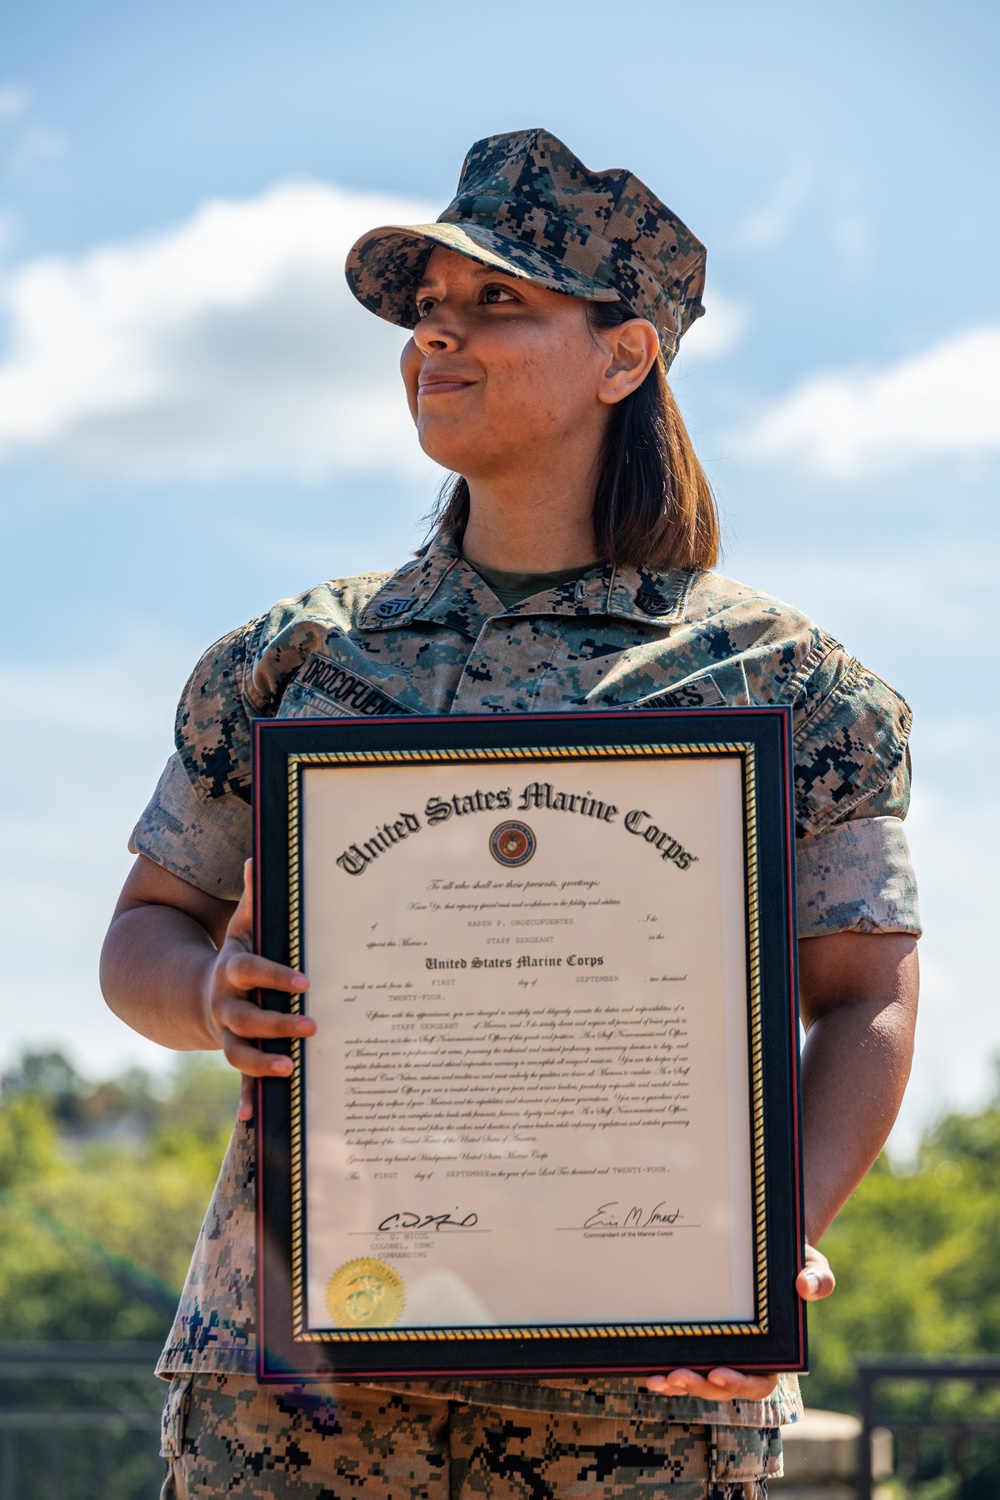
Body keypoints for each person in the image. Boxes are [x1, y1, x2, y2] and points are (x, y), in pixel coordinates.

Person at [101, 128, 920, 1500]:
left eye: (498, 304)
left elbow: (866, 998)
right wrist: (211, 996)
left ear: (625, 354)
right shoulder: (291, 658)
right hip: (297, 1400)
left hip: (647, 1403)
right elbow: (146, 933)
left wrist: (779, 1233)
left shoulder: (801, 691)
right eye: (426, 311)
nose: (439, 340)